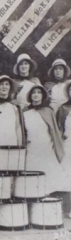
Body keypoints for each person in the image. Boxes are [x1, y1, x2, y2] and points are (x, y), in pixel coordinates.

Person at [23, 85, 66, 194]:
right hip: (31, 147)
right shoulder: (24, 111)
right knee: (32, 175)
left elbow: (54, 131)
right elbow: (22, 130)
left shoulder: (48, 111)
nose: (36, 95)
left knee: (49, 173)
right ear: (30, 96)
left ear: (43, 95)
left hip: (46, 146)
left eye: (39, 92)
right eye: (33, 93)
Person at [56, 82, 71, 217]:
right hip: (68, 145)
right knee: (67, 176)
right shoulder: (64, 108)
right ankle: (67, 208)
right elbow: (58, 129)